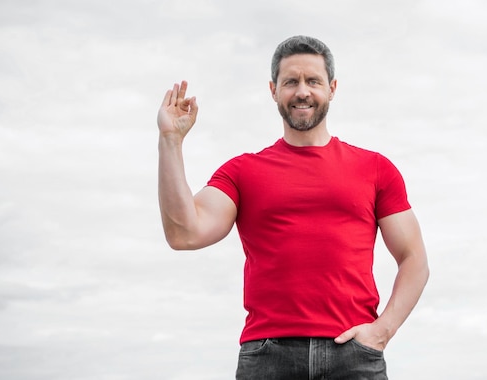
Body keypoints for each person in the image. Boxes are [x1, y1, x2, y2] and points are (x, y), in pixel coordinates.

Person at [157, 35, 429, 379]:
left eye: (313, 81)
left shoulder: (376, 168)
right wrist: (170, 141)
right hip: (268, 356)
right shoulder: (242, 171)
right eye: (291, 82)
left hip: (354, 356)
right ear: (273, 90)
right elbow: (184, 233)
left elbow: (414, 258)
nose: (302, 91)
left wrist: (382, 331)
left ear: (331, 88)